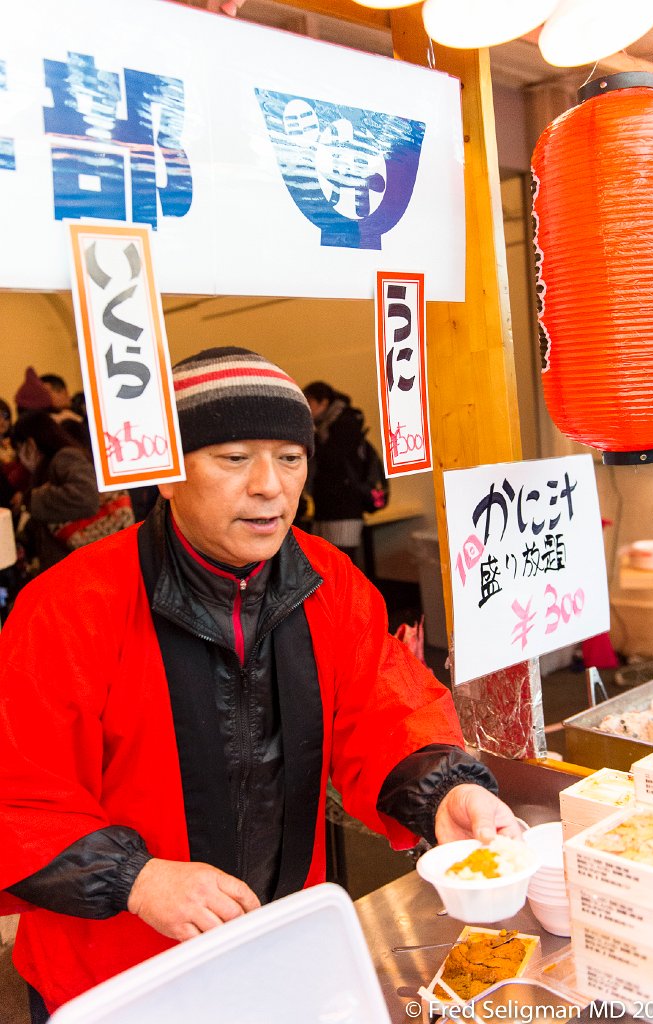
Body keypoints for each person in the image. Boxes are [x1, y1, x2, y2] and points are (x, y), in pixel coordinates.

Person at [0, 347, 520, 1021]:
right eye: (235, 457)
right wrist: (137, 878)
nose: (270, 485)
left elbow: (387, 711)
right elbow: (20, 795)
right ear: (166, 473)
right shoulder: (70, 608)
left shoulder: (332, 585)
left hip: (282, 945)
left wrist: (446, 792)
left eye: (290, 457)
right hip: (111, 976)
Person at [10, 411, 100, 570]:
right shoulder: (47, 466)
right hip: (69, 564)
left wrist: (30, 499)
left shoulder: (65, 457)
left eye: (19, 449)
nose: (20, 459)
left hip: (79, 565)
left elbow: (87, 497)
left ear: (30, 444)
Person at [302, 380, 368, 564]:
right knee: (324, 563)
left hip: (344, 506)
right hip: (325, 506)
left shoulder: (346, 423)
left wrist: (312, 434)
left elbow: (330, 459)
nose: (307, 408)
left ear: (323, 403)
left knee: (342, 563)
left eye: (310, 402)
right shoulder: (324, 425)